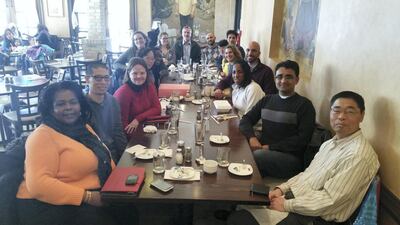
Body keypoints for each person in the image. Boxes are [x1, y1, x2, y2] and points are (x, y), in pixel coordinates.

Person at [228, 91, 380, 225]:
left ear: (362, 115)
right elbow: (308, 175)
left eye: (350, 112)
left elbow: (330, 200)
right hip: (302, 200)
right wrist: (282, 189)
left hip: (317, 218)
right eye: (336, 110)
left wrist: (287, 205)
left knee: (239, 219)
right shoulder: (330, 143)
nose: (341, 117)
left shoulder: (358, 155)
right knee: (247, 200)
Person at [15, 81, 126, 225]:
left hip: (89, 196)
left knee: (133, 210)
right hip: (48, 205)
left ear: (80, 105)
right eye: (60, 104)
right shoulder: (42, 135)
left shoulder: (83, 127)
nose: (68, 108)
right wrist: (89, 197)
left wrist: (118, 182)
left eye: (73, 102)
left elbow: (103, 156)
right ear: (50, 108)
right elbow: (38, 184)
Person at [239, 60, 316, 179]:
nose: (283, 81)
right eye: (279, 77)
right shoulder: (267, 100)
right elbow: (246, 120)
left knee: (254, 156)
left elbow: (302, 140)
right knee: (239, 149)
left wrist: (270, 148)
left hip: (290, 158)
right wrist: (252, 138)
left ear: (297, 80)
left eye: (289, 77)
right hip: (264, 150)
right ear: (275, 79)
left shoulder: (305, 106)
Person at [85, 63, 127, 162]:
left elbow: (118, 131)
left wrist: (126, 156)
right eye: (98, 78)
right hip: (94, 156)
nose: (103, 82)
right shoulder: (81, 105)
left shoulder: (113, 101)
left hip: (113, 153)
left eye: (106, 78)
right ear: (87, 79)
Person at [114, 57, 161, 138]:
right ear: (129, 73)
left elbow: (157, 108)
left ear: (147, 73)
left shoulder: (150, 86)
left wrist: (137, 119)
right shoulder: (123, 93)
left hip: (145, 128)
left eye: (142, 73)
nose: (139, 76)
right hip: (131, 136)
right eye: (135, 73)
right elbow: (123, 127)